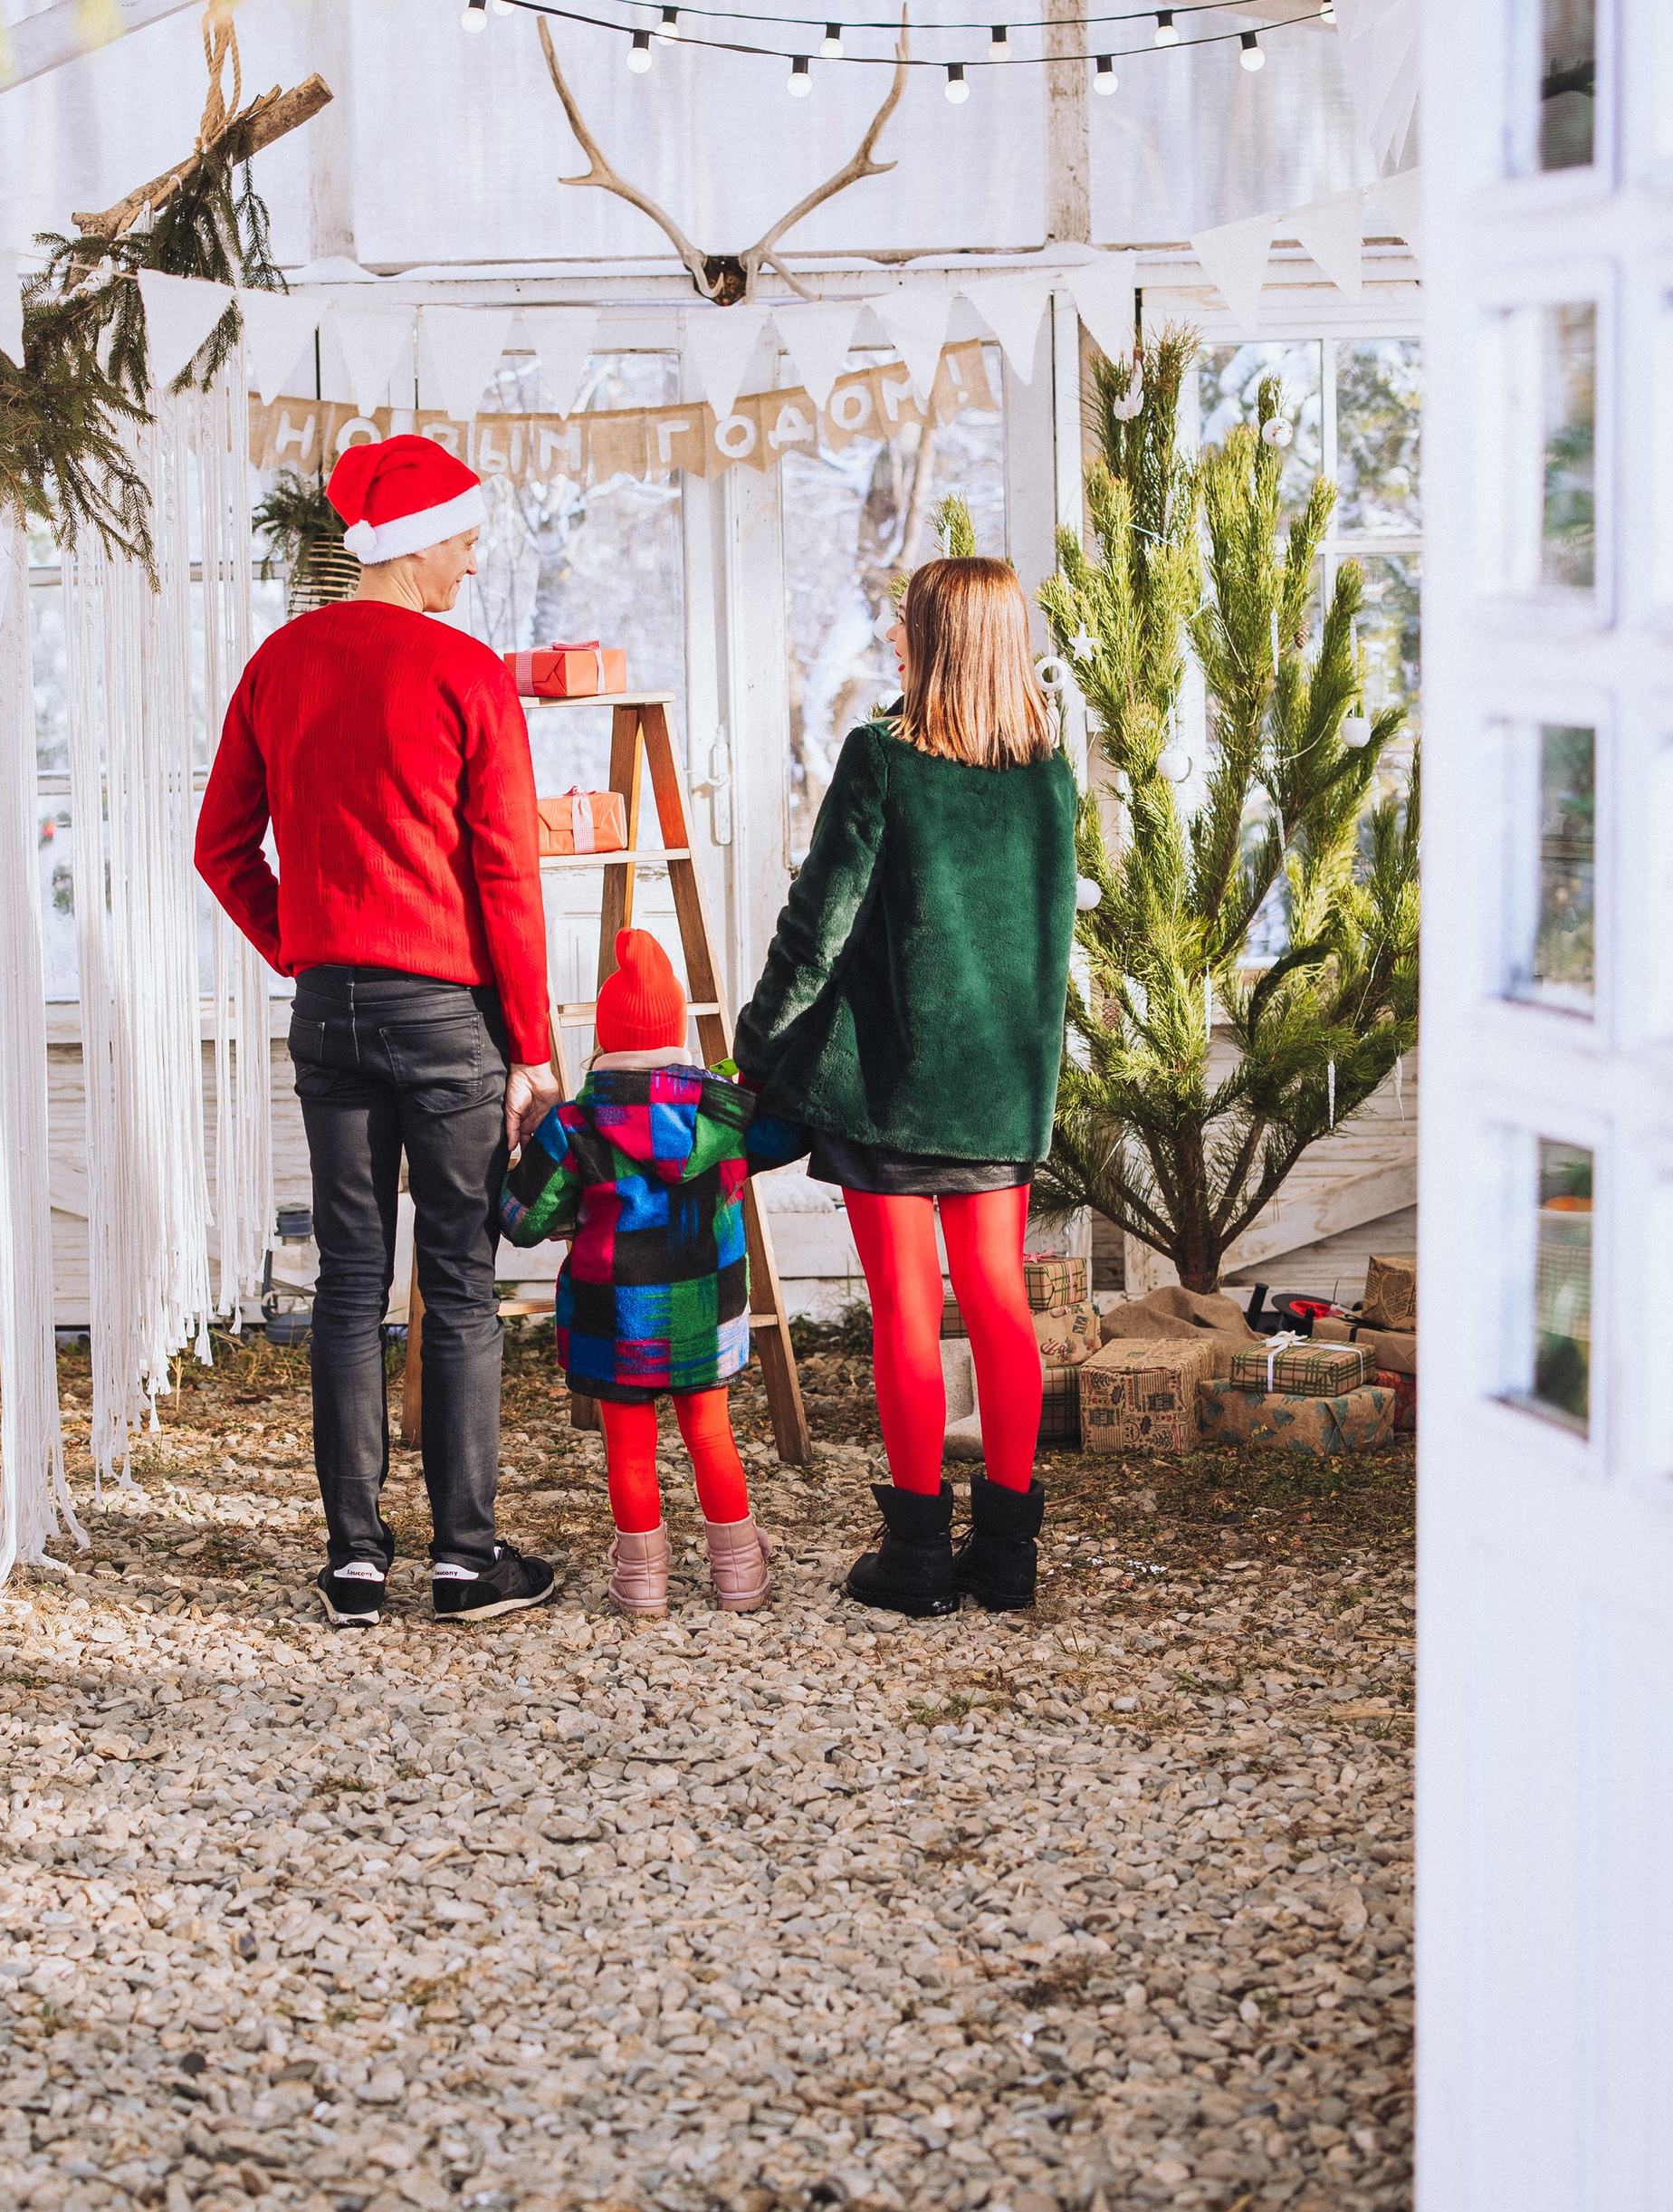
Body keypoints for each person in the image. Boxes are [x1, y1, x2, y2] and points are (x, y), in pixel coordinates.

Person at [196, 430, 561, 1631]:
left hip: (330, 1010)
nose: (469, 562)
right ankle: (465, 1561)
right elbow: (505, 870)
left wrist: (302, 943)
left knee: (351, 1279)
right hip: (448, 1014)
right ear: (412, 543)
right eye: (461, 540)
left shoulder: (280, 661)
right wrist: (534, 1045)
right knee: (454, 1280)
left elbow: (220, 847)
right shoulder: (466, 674)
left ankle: (354, 1563)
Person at [735, 556, 1076, 1619]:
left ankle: (919, 1557)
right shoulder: (1049, 773)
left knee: (903, 1312)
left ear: (933, 642)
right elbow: (1051, 939)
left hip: (893, 1082)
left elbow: (817, 920)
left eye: (903, 628)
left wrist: (760, 1038)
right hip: (1004, 1086)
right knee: (998, 1303)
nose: (891, 643)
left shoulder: (881, 759)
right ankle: (1007, 1557)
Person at [502, 927, 801, 1618]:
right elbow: (792, 1130)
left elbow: (523, 1221)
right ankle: (739, 1576)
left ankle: (641, 1584)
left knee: (630, 1452)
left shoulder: (575, 1124)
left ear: (605, 1040)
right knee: (710, 1436)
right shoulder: (724, 1118)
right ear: (677, 1036)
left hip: (616, 1320)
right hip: (703, 1313)